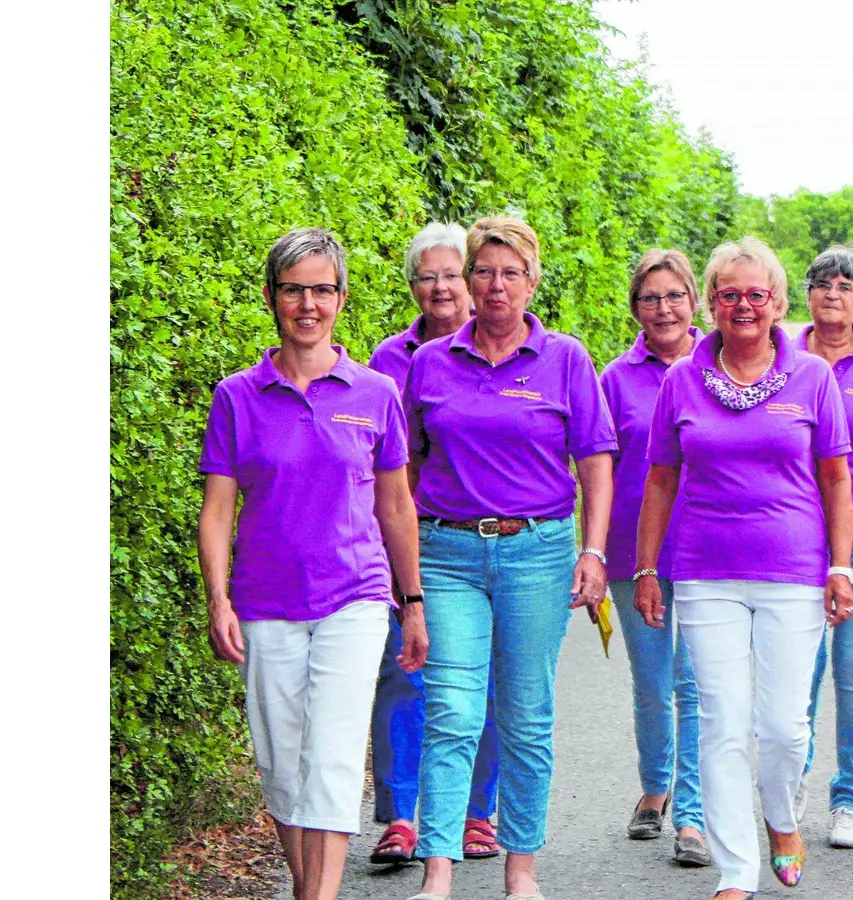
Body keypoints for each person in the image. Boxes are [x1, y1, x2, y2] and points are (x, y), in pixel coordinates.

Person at [198, 228, 428, 900]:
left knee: (329, 759)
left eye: (321, 289)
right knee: (282, 767)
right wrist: (219, 601)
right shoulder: (237, 396)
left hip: (354, 598)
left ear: (341, 297)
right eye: (294, 289)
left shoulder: (376, 393)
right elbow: (218, 510)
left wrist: (411, 604)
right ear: (272, 298)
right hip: (265, 602)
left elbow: (396, 509)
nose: (307, 304)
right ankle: (308, 889)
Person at [632, 237, 853, 900]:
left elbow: (838, 478)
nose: (743, 306)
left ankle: (782, 819)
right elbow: (661, 481)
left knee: (784, 727)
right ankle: (737, 872)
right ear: (713, 301)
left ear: (778, 302)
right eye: (729, 294)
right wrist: (648, 567)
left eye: (756, 294)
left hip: (793, 571)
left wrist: (841, 565)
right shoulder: (682, 380)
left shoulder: (813, 377)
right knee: (722, 720)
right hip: (706, 572)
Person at [404, 216, 616, 900]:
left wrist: (593, 549)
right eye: (484, 271)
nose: (496, 286)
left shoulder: (566, 359)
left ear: (533, 281)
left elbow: (595, 464)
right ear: (468, 281)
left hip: (537, 552)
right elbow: (404, 466)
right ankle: (438, 870)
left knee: (526, 717)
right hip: (447, 553)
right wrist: (403, 561)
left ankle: (520, 869)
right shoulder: (430, 364)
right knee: (453, 712)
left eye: (511, 272)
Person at [366, 222, 502, 866]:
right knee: (405, 672)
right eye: (428, 276)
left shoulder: (506, 349)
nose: (442, 287)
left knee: (485, 677)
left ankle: (477, 813)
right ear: (413, 286)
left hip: (481, 537)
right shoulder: (388, 360)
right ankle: (400, 816)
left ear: (473, 283)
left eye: (453, 274)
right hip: (405, 535)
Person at [598, 249, 710, 867]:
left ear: (693, 300)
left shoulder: (718, 366)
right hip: (632, 551)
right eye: (649, 298)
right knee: (652, 683)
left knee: (694, 684)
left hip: (707, 550)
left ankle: (691, 813)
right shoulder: (615, 379)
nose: (663, 309)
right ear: (635, 307)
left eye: (674, 296)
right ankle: (655, 785)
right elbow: (600, 471)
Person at [792, 245, 853, 851]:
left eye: (846, 286)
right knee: (798, 672)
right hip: (796, 536)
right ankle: (792, 782)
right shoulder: (781, 357)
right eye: (823, 283)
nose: (833, 293)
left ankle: (850, 798)